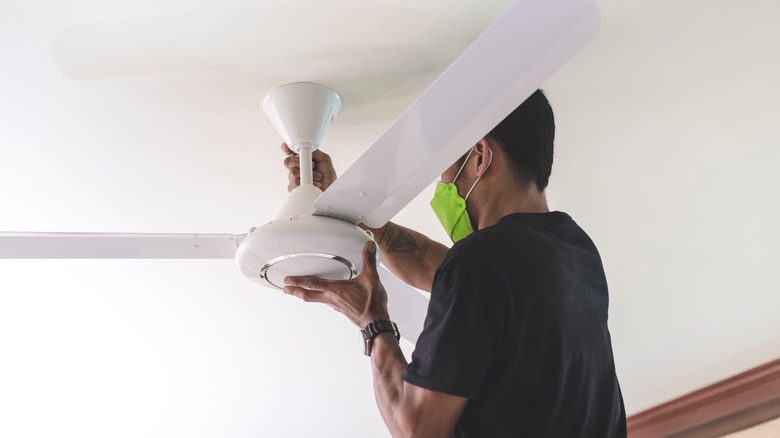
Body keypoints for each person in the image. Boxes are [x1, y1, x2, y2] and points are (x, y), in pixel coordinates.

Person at [281, 90, 627, 437]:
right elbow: (436, 267)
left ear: (479, 155)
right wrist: (350, 210)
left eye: (444, 165)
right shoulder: (575, 250)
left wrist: (372, 321)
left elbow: (415, 428)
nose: (443, 183)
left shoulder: (480, 263)